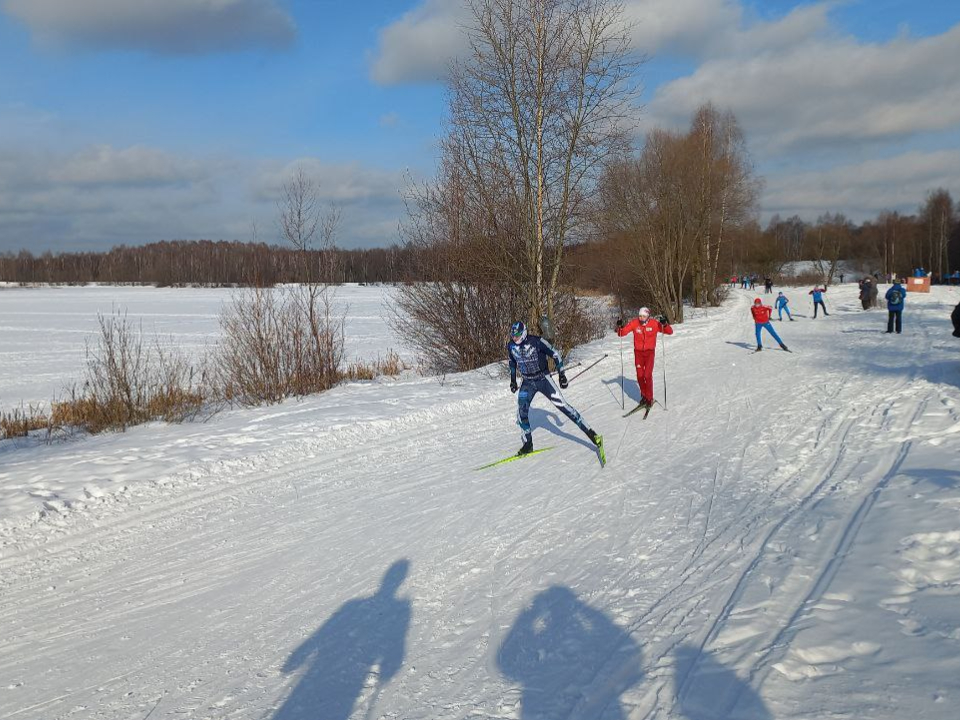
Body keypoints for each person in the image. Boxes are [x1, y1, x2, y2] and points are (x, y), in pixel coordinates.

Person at [507, 321, 601, 456]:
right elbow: (512, 362)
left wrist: (562, 375)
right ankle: (528, 445)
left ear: (523, 333)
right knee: (521, 413)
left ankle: (593, 435)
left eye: (517, 335)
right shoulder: (511, 346)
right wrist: (512, 380)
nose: (514, 338)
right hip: (527, 382)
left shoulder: (536, 341)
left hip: (543, 379)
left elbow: (555, 354)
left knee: (563, 406)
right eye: (513, 336)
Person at [616, 307, 673, 408]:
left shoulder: (654, 324)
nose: (641, 318)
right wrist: (619, 326)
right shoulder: (634, 323)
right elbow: (622, 333)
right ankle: (644, 396)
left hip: (649, 353)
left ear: (648, 316)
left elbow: (669, 331)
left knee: (647, 375)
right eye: (640, 316)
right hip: (638, 353)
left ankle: (649, 398)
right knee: (640, 376)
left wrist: (664, 324)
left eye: (644, 316)